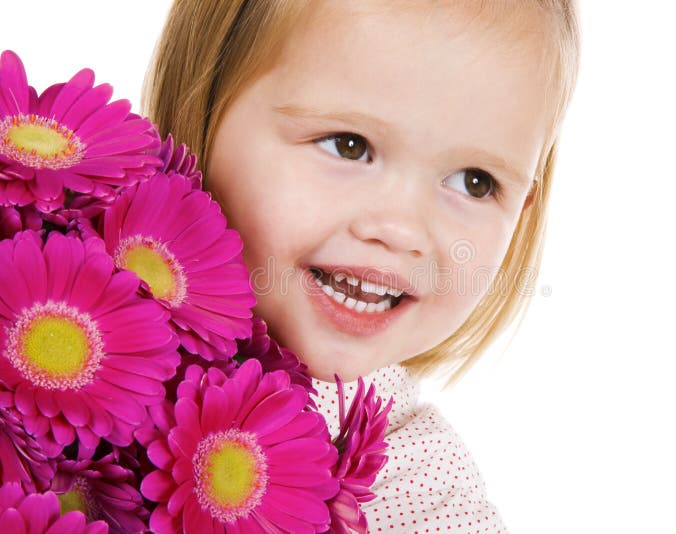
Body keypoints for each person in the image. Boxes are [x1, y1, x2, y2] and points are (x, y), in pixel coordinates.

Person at [144, 0, 581, 531]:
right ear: (207, 103)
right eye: (349, 146)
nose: (401, 229)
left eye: (475, 181)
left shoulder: (426, 501)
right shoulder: (57, 305)